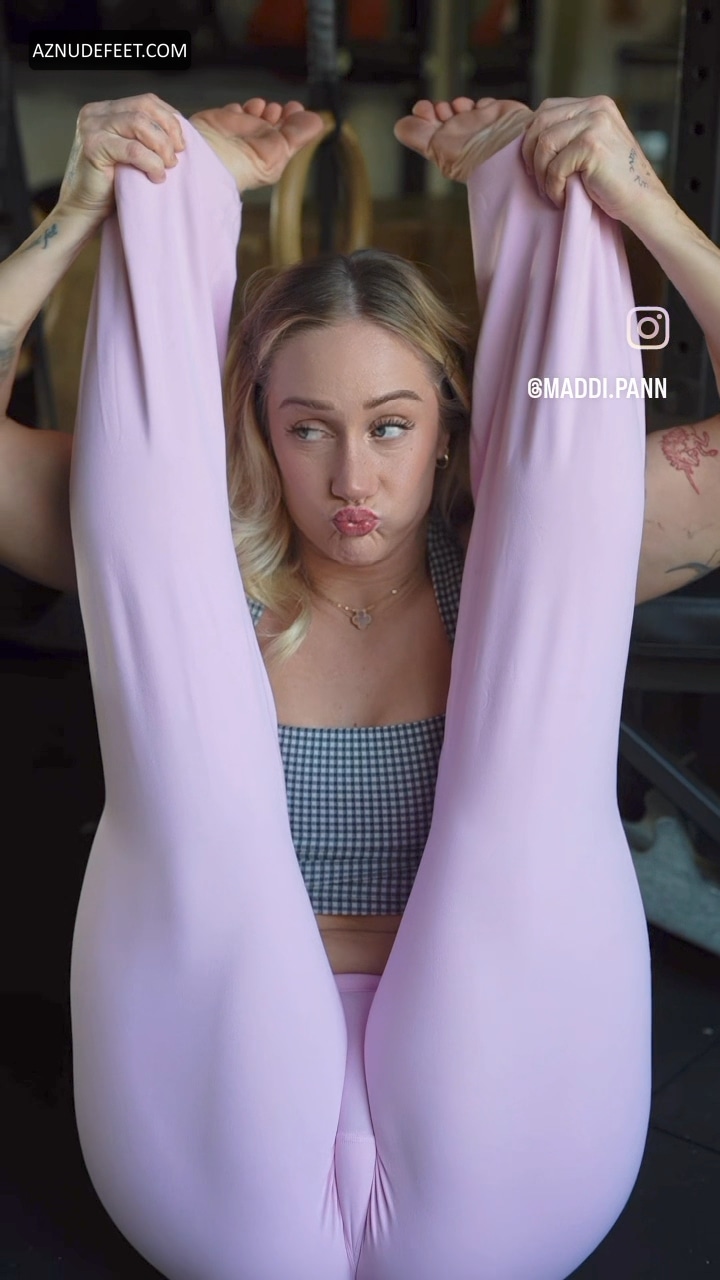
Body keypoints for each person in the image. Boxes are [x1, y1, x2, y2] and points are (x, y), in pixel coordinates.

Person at [0, 92, 719, 1279]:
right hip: (207, 1103)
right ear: (257, 427)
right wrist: (81, 214)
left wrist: (640, 204)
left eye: (390, 425)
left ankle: (551, 242)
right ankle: (171, 228)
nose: (352, 478)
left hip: (511, 1111)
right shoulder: (174, 548)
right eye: (308, 427)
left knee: (532, 754)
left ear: (448, 421)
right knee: (191, 773)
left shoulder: (539, 553)